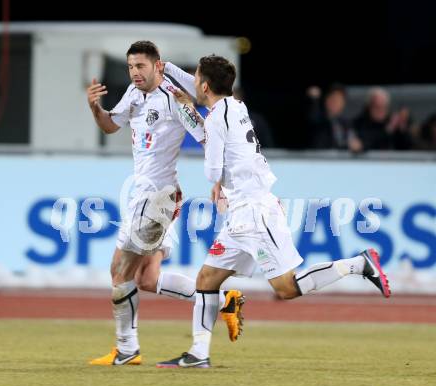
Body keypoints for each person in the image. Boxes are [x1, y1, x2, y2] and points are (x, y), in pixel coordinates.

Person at [156, 55, 391, 369]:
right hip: (243, 213)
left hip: (253, 216)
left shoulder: (215, 118)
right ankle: (199, 354)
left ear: (205, 85)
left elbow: (212, 171)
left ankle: (357, 264)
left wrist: (189, 112)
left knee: (287, 288)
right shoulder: (236, 106)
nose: (193, 80)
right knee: (207, 278)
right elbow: (201, 93)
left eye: (195, 77)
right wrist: (168, 69)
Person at [87, 42, 244, 366]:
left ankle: (127, 348)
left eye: (141, 66)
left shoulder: (175, 98)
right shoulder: (133, 94)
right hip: (146, 197)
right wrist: (95, 108)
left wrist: (220, 181)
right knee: (145, 279)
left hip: (158, 198)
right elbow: (109, 124)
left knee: (119, 270)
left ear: (159, 66)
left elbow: (206, 136)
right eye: (131, 67)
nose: (135, 72)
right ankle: (222, 299)